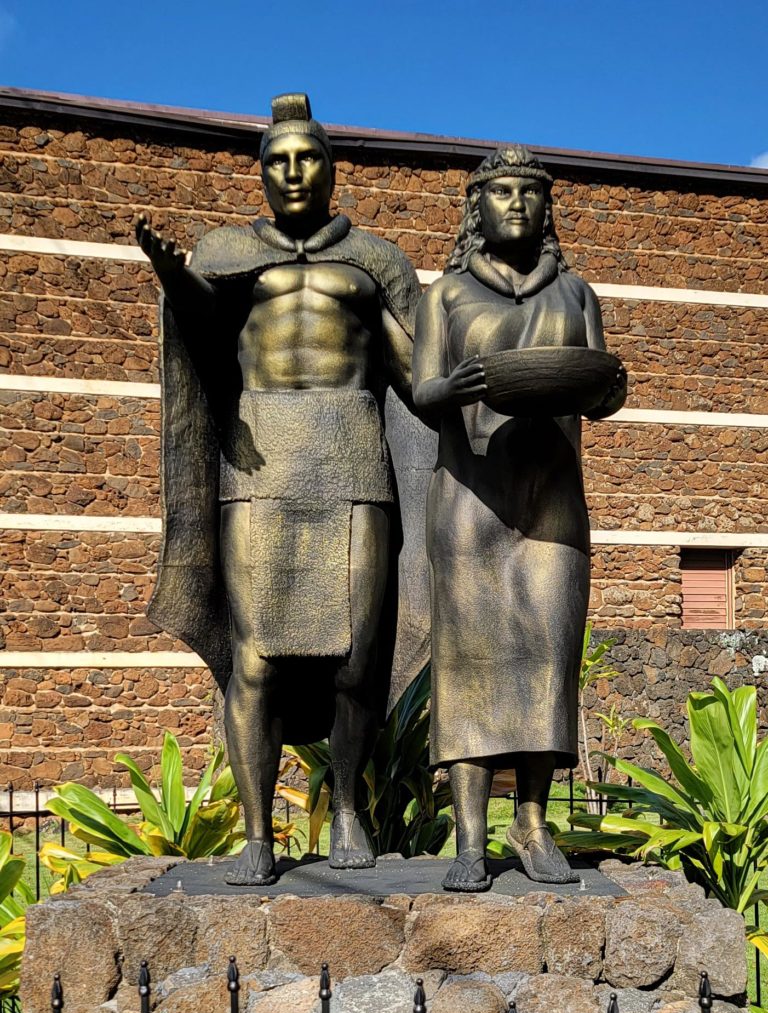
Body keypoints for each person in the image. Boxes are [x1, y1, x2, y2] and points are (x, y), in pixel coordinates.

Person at [137, 94, 425, 884]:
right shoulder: (226, 251)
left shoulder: (377, 260)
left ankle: (350, 812)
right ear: (261, 172)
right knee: (256, 658)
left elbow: (420, 372)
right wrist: (172, 273)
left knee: (357, 660)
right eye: (278, 160)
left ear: (333, 170)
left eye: (309, 158)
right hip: (259, 465)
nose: (293, 172)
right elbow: (200, 329)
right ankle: (259, 833)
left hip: (354, 458)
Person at [412, 144, 626, 892]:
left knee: (548, 656)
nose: (516, 204)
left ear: (545, 208)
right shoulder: (442, 295)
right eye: (500, 192)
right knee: (469, 662)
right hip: (470, 498)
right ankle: (470, 837)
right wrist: (455, 385)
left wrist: (609, 390)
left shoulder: (576, 294)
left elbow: (599, 388)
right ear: (477, 206)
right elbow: (419, 392)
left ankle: (531, 823)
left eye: (529, 193)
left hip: (552, 496)